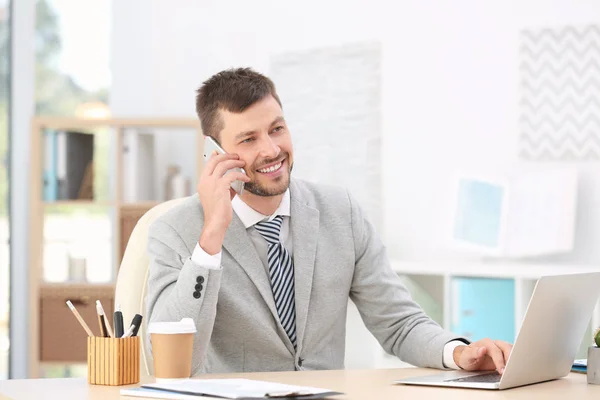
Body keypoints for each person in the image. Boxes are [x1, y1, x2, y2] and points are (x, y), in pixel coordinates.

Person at [146, 67, 513, 375]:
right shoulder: (175, 231)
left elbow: (398, 323)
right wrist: (212, 235)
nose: (271, 150)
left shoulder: (341, 211)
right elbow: (172, 365)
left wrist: (458, 354)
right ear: (215, 152)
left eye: (276, 129)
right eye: (248, 139)